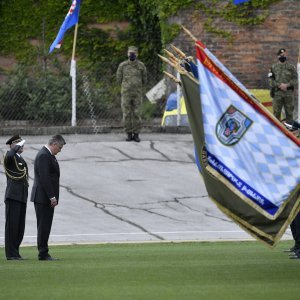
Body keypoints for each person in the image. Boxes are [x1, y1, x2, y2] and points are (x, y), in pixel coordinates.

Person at [31, 134, 66, 261]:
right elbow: (44, 178)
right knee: (43, 225)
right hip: (42, 197)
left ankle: (44, 251)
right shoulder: (44, 155)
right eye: (60, 148)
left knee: (46, 225)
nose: (60, 150)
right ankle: (43, 253)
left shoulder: (48, 155)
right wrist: (52, 196)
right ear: (54, 144)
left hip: (45, 197)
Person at [3, 135, 28, 260]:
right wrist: (15, 147)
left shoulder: (19, 158)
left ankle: (15, 252)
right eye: (18, 144)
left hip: (21, 196)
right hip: (13, 196)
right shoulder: (9, 156)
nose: (21, 146)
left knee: (19, 226)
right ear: (12, 145)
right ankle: (10, 253)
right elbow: (9, 156)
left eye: (22, 144)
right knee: (12, 226)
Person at [116, 46, 147, 142]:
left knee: (137, 114)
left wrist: (138, 86)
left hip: (137, 93)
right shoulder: (123, 66)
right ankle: (129, 134)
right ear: (127, 54)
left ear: (137, 54)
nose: (132, 55)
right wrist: (125, 87)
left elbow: (144, 79)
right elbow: (118, 79)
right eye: (130, 53)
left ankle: (136, 134)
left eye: (133, 53)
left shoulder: (141, 66)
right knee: (127, 114)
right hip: (126, 93)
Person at [268, 48, 298, 123]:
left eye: (284, 55)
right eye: (281, 55)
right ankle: (277, 131)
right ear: (278, 56)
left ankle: (289, 130)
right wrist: (279, 85)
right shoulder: (273, 67)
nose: (283, 56)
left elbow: (296, 79)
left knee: (289, 113)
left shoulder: (291, 67)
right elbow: (271, 81)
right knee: (276, 113)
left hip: (288, 93)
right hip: (277, 93)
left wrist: (287, 85)